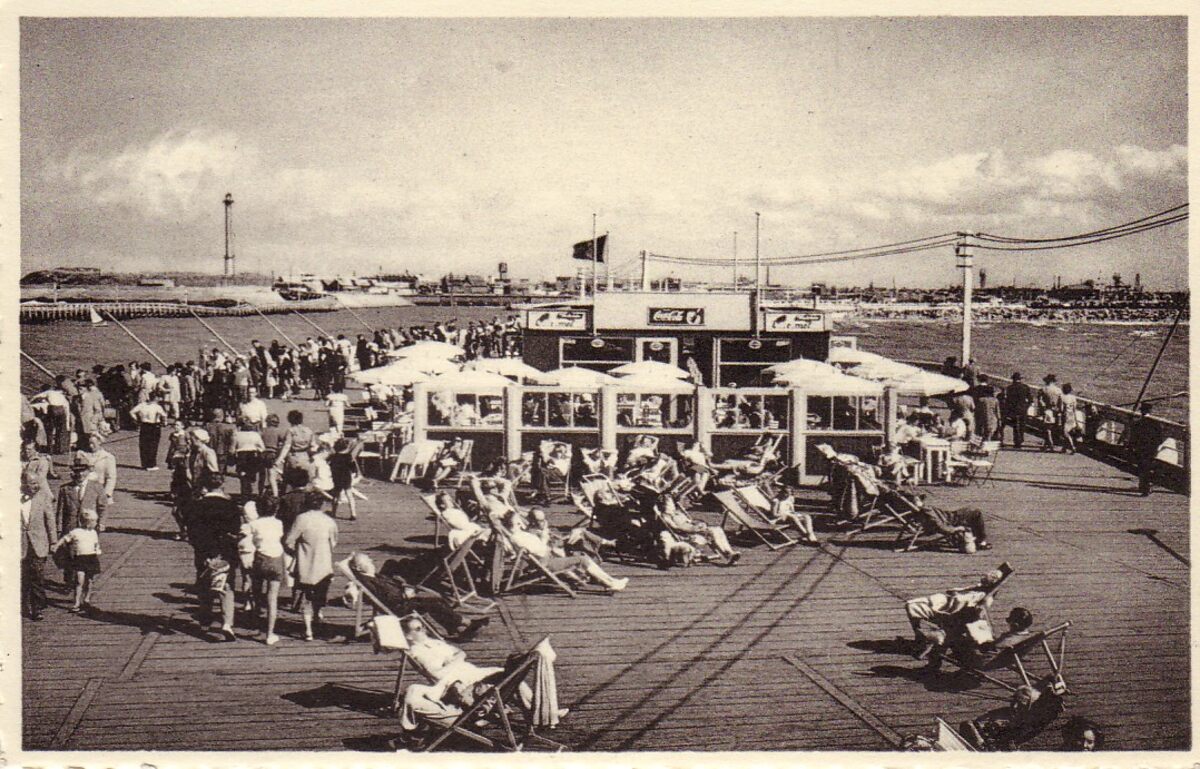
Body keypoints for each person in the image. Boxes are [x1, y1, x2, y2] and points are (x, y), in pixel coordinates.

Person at [348, 552, 489, 641]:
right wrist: (404, 595)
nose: (372, 562)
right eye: (368, 561)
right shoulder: (366, 581)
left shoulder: (373, 576)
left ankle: (458, 627)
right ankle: (468, 623)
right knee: (433, 604)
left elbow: (392, 585)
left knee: (437, 601)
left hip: (402, 599)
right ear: (359, 568)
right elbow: (385, 598)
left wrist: (404, 587)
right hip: (399, 606)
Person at [504, 509, 628, 591]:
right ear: (515, 523)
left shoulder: (519, 535)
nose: (521, 521)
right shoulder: (519, 537)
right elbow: (541, 551)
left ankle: (611, 581)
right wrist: (545, 538)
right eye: (518, 520)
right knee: (583, 559)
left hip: (548, 558)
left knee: (582, 552)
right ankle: (610, 583)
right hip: (548, 562)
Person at [904, 570, 1005, 662]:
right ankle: (921, 638)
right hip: (949, 609)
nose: (982, 579)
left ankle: (923, 641)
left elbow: (971, 611)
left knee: (912, 606)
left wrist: (956, 596)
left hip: (951, 616)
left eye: (987, 578)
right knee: (911, 604)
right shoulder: (979, 589)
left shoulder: (983, 597)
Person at [186, 476, 242, 641]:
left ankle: (205, 620)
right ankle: (227, 624)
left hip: (204, 552)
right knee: (227, 587)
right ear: (222, 485)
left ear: (205, 486)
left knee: (204, 586)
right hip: (225, 552)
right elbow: (236, 530)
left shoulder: (197, 505)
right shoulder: (231, 505)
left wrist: (204, 553)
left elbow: (192, 532)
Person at [284, 493, 339, 641]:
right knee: (319, 597)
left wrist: (296, 551)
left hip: (305, 564)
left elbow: (289, 541)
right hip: (324, 564)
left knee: (306, 599)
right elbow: (333, 543)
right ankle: (317, 618)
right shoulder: (329, 521)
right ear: (322, 505)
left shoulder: (301, 519)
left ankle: (308, 630)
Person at [21, 450, 58, 621]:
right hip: (20, 544)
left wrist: (53, 541)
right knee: (23, 576)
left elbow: (50, 520)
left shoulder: (43, 497)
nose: (36, 486)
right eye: (32, 483)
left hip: (39, 542)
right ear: (23, 483)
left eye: (37, 483)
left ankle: (37, 609)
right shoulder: (13, 497)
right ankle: (24, 605)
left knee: (37, 576)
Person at [247, 496, 286, 646]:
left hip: (260, 558)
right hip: (276, 559)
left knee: (256, 592)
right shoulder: (279, 523)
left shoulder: (253, 524)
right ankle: (270, 633)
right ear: (276, 509)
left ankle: (256, 621)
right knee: (272, 597)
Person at [52, 509, 102, 613]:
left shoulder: (93, 533)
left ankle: (86, 599)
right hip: (80, 558)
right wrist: (56, 546)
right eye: (94, 521)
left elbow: (96, 544)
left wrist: (97, 550)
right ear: (87, 522)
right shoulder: (76, 532)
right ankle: (76, 601)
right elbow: (65, 538)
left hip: (91, 558)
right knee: (79, 580)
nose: (96, 523)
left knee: (89, 580)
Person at [80, 435, 117, 532]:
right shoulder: (82, 454)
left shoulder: (108, 457)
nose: (91, 446)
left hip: (99, 490)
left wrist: (107, 493)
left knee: (97, 516)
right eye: (89, 443)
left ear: (100, 442)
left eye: (93, 443)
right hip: (84, 489)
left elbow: (111, 477)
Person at [1127, 403, 1164, 495]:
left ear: (1141, 411)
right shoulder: (1156, 423)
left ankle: (1144, 487)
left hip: (1140, 449)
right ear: (1150, 411)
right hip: (1151, 449)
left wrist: (1131, 447)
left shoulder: (1138, 423)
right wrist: (1155, 446)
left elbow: (1133, 437)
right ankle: (1146, 487)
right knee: (1148, 467)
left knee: (1142, 467)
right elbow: (1160, 438)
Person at [129, 391, 168, 470]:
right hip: (154, 425)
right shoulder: (157, 406)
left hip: (144, 425)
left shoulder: (142, 405)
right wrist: (165, 422)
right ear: (156, 398)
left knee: (144, 445)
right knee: (153, 445)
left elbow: (131, 412)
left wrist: (137, 420)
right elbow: (164, 415)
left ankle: (144, 464)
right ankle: (151, 464)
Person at [232, 419, 266, 499]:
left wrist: (233, 455)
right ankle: (250, 492)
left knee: (242, 475)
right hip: (252, 455)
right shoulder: (256, 435)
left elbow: (232, 448)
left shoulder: (237, 435)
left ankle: (244, 493)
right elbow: (262, 448)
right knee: (250, 474)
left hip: (241, 455)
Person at [328, 437, 359, 520]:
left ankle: (333, 512)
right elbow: (353, 468)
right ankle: (353, 513)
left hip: (337, 477)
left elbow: (330, 466)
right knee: (349, 495)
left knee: (336, 495)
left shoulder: (333, 456)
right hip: (346, 477)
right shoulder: (348, 456)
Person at [1002, 373, 1033, 449]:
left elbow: (1008, 400)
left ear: (1013, 379)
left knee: (1015, 426)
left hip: (1013, 409)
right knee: (1022, 425)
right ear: (1020, 379)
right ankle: (1020, 440)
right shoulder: (1025, 387)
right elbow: (1030, 399)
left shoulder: (1010, 388)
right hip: (1023, 409)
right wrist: (1026, 406)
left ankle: (1016, 441)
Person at [1038, 374, 1063, 451]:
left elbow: (1040, 401)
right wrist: (1060, 410)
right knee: (1054, 428)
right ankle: (1048, 444)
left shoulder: (1043, 389)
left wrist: (1042, 409)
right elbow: (1061, 402)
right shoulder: (1058, 390)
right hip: (1056, 410)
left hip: (1047, 410)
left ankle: (1050, 444)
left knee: (1047, 428)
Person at [1060, 383, 1081, 454]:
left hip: (1065, 416)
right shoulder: (1073, 397)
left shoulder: (1062, 397)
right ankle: (1064, 448)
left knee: (1065, 432)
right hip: (1072, 416)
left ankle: (1072, 447)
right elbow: (1075, 409)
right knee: (1068, 431)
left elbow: (1061, 408)